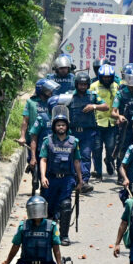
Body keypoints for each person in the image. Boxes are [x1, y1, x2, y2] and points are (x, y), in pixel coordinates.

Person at [38, 106, 83, 247]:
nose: (61, 127)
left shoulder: (73, 142)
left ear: (67, 126)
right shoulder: (48, 141)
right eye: (58, 125)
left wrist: (80, 180)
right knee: (48, 209)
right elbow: (43, 159)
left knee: (65, 205)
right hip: (51, 179)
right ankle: (47, 234)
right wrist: (43, 176)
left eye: (63, 125)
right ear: (54, 126)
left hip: (67, 179)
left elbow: (76, 161)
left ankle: (64, 236)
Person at [66, 71, 103, 192]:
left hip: (88, 133)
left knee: (86, 156)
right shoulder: (69, 96)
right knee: (72, 157)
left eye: (85, 84)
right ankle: (74, 180)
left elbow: (106, 106)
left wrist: (94, 106)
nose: (82, 87)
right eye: (80, 84)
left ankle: (85, 181)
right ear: (76, 84)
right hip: (72, 133)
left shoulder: (93, 96)